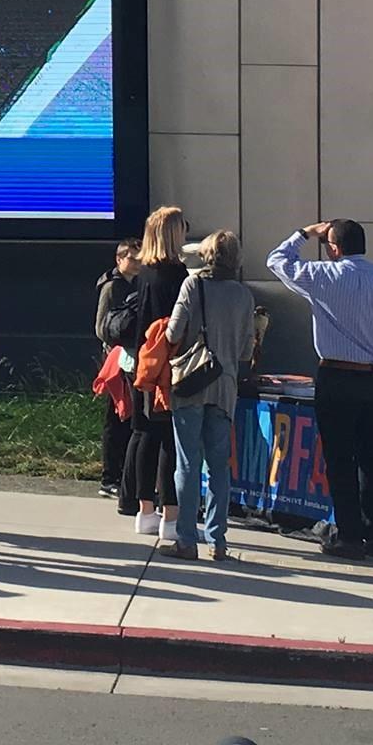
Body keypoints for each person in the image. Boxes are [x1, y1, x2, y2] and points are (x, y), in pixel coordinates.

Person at [266, 219, 373, 557]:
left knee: (340, 458)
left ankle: (349, 535)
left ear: (334, 248)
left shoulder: (322, 276)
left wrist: (302, 233)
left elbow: (276, 260)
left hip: (338, 377)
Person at [162, 230, 259, 561]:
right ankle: (218, 542)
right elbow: (247, 350)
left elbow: (173, 331)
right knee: (219, 465)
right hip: (226, 385)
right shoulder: (244, 296)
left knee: (188, 463)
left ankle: (186, 540)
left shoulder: (193, 285)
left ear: (206, 255)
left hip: (191, 382)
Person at [122, 206, 190, 536]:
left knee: (146, 434)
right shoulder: (177, 276)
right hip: (169, 367)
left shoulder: (145, 273)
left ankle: (145, 509)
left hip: (143, 365)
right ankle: (170, 516)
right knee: (169, 441)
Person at [93, 238, 141, 497]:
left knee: (128, 418)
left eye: (139, 258)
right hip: (116, 360)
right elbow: (101, 327)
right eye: (132, 258)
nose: (137, 263)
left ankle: (122, 472)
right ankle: (109, 476)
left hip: (130, 359)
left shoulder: (138, 284)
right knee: (115, 418)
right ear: (119, 259)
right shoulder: (112, 288)